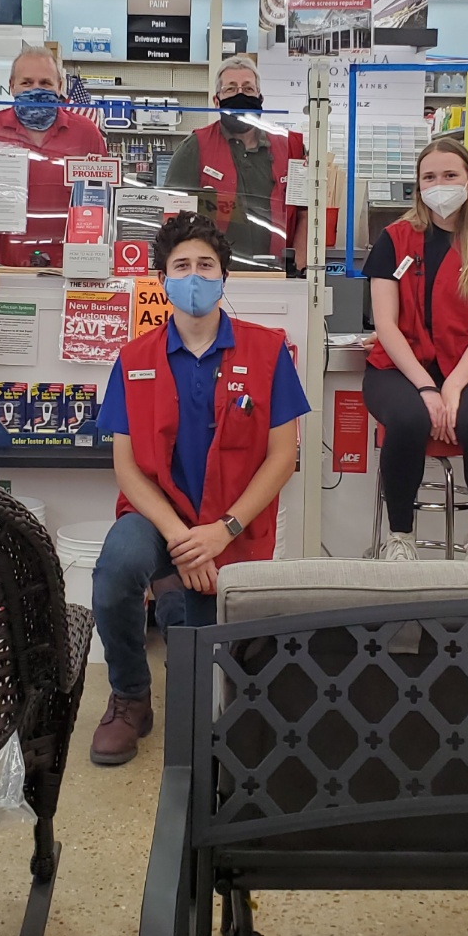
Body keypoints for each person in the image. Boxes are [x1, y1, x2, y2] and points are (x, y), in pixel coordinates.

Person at [89, 212, 308, 765]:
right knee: (116, 570)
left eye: (205, 265)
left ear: (224, 276)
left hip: (232, 525)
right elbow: (127, 469)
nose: (194, 276)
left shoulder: (267, 351)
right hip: (158, 517)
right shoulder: (134, 359)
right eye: (181, 265)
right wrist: (181, 539)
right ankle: (130, 698)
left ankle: (179, 617)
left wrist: (221, 532)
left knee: (199, 653)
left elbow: (283, 457)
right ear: (162, 279)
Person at [361, 138, 468, 562]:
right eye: (429, 177)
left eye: (450, 175)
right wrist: (428, 389)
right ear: (418, 185)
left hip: (463, 369)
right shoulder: (394, 240)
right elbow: (386, 325)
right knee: (409, 419)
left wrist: (453, 388)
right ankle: (400, 537)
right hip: (397, 369)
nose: (440, 184)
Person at [0, 45, 108, 268]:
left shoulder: (87, 133)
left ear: (59, 86)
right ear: (11, 86)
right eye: (26, 83)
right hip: (3, 265)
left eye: (45, 83)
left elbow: (102, 202)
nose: (36, 89)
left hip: (73, 266)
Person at [165, 55, 308, 272]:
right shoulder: (195, 147)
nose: (240, 95)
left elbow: (305, 213)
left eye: (248, 89)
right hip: (213, 274)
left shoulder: (291, 147)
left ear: (260, 98)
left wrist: (298, 265)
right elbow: (172, 216)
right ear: (216, 101)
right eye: (231, 89)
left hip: (278, 274)